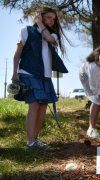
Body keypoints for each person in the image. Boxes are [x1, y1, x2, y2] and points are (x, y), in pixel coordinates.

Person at [11, 7, 69, 149]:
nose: (51, 20)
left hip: (45, 76)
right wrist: (14, 72)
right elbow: (17, 53)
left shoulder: (53, 35)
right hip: (28, 72)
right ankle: (31, 142)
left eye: (53, 19)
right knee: (35, 105)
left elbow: (49, 39)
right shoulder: (25, 30)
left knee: (43, 107)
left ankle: (35, 141)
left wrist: (41, 24)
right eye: (48, 17)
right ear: (40, 16)